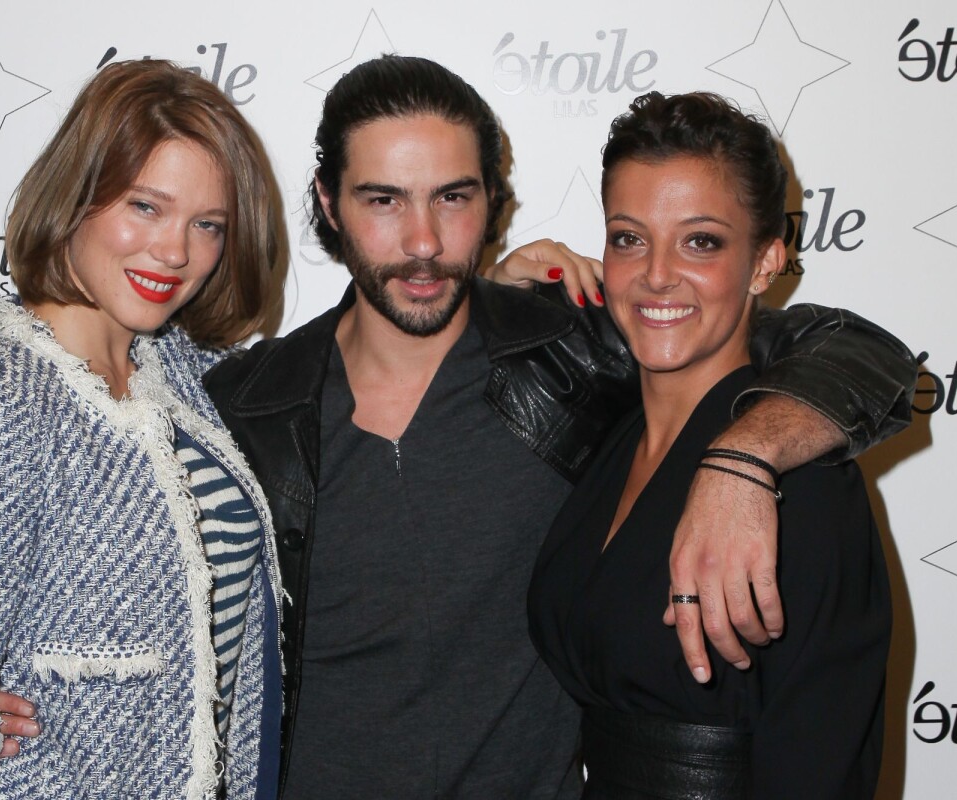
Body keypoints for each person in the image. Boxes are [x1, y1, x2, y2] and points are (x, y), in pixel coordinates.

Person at [203, 55, 913, 798]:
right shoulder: (249, 408)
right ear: (328, 201)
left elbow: (848, 351)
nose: (422, 240)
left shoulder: (565, 356)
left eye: (452, 197)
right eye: (383, 200)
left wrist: (745, 456)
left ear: (492, 202)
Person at [0, 60, 283, 800]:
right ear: (79, 196)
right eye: (145, 207)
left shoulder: (176, 369)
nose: (175, 251)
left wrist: (480, 301)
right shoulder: (2, 402)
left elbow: (340, 365)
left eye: (206, 224)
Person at [528, 91, 893, 799]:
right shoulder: (612, 440)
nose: (656, 274)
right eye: (629, 237)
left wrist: (744, 464)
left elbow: (821, 764)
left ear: (765, 262)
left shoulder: (798, 480)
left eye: (701, 241)